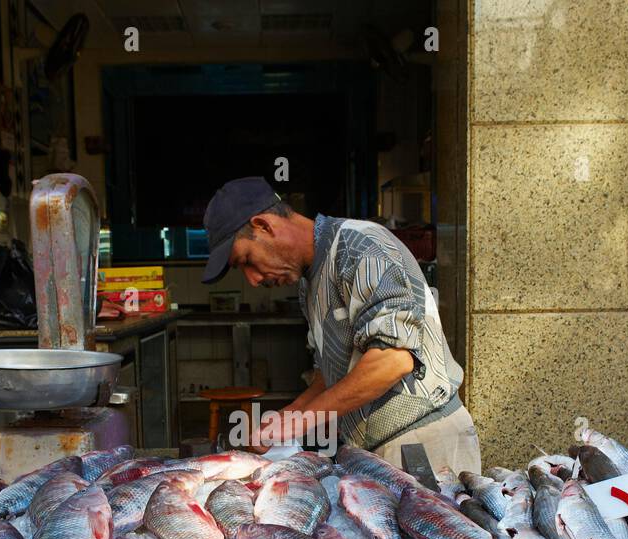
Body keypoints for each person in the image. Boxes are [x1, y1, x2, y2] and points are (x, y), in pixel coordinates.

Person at [201, 176, 481, 475]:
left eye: (247, 261)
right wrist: (287, 416)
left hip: (422, 443)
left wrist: (303, 420)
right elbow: (331, 376)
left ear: (264, 226)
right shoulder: (309, 283)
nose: (253, 280)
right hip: (370, 453)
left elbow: (392, 359)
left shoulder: (361, 247)